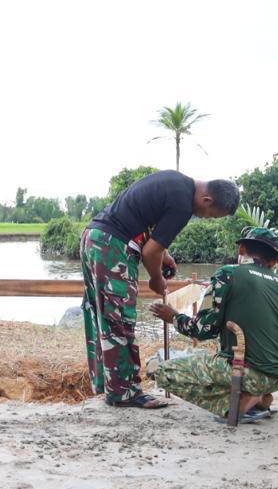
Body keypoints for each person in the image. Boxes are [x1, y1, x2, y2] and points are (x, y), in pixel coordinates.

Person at [81, 170, 240, 409]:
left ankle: (109, 385)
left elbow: (147, 229)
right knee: (120, 320)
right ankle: (125, 393)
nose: (206, 218)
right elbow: (149, 252)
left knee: (103, 316)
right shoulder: (182, 205)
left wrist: (164, 254)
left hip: (94, 237)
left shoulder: (176, 182)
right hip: (112, 246)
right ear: (207, 200)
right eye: (211, 216)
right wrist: (156, 279)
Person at [148, 228, 278, 421]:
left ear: (241, 249)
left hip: (252, 372)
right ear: (273, 262)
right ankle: (258, 398)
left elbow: (203, 330)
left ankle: (242, 402)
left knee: (159, 371)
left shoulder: (228, 274)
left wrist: (174, 317)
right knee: (210, 359)